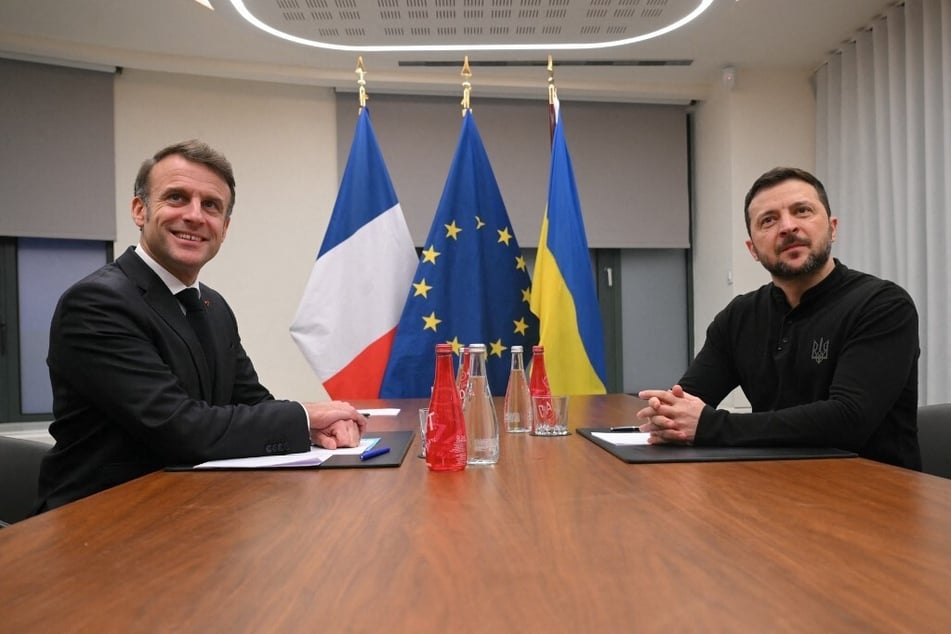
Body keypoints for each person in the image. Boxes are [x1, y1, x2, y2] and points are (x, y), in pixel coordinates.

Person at [36, 140, 367, 511]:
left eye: (211, 206)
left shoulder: (213, 306)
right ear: (139, 210)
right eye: (177, 197)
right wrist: (305, 415)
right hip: (98, 523)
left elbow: (251, 402)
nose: (195, 216)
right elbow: (181, 428)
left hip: (195, 512)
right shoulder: (98, 303)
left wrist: (312, 429)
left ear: (224, 228)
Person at [636, 167, 920, 469]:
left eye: (802, 211)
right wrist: (665, 414)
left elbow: (849, 420)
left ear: (833, 228)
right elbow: (687, 403)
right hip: (774, 485)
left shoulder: (883, 305)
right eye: (768, 220)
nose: (787, 227)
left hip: (875, 496)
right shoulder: (739, 317)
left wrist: (711, 426)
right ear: (753, 249)